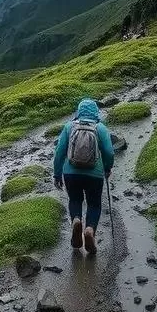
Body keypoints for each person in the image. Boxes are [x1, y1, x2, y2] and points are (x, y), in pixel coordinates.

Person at [53, 98, 115, 254]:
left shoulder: (69, 126)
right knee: (94, 204)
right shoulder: (100, 128)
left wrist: (57, 174)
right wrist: (107, 168)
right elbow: (108, 152)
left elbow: (59, 152)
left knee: (75, 200)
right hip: (94, 174)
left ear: (78, 111)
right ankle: (89, 230)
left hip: (70, 173)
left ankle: (76, 220)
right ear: (95, 112)